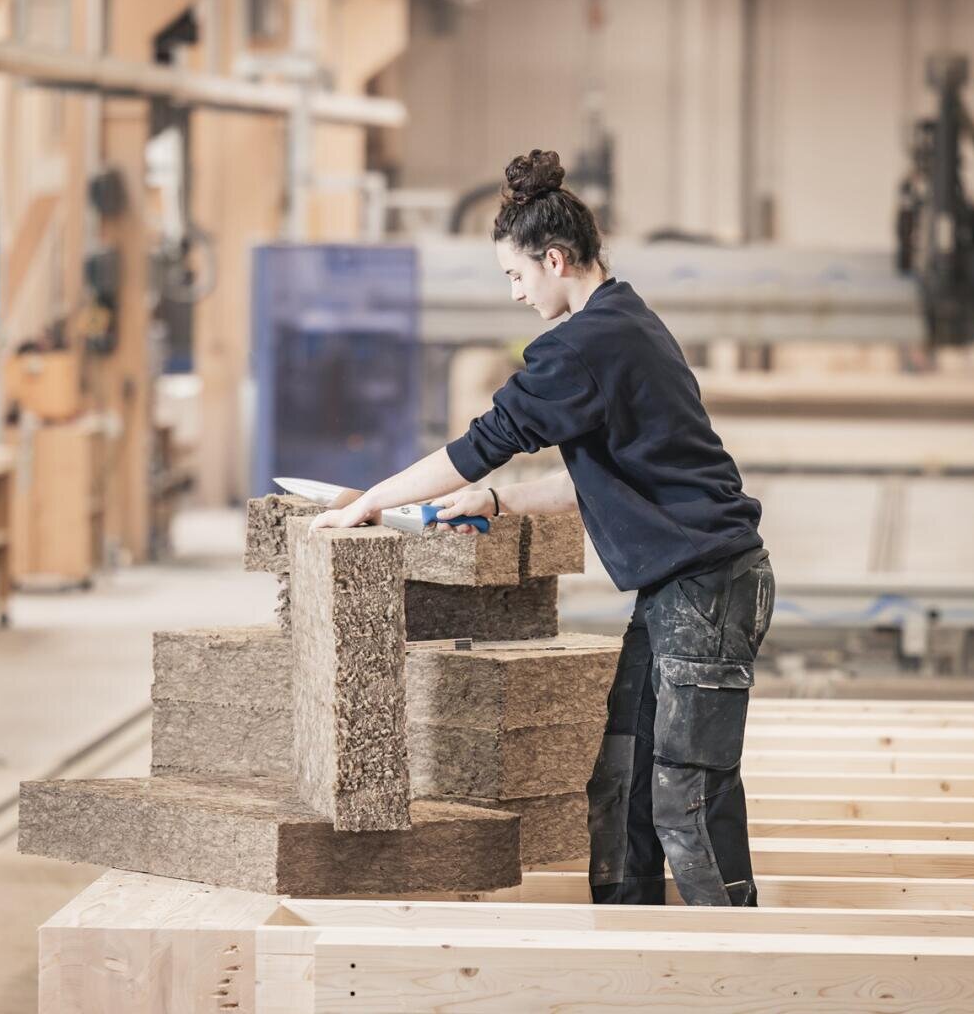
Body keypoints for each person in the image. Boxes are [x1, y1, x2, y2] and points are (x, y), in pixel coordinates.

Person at [309, 148, 771, 908]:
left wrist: (368, 502)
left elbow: (480, 444)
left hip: (708, 588)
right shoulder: (621, 320)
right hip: (680, 590)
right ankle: (629, 945)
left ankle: (733, 952)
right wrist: (497, 503)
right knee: (623, 778)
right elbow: (613, 478)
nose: (516, 292)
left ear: (554, 259)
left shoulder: (588, 344)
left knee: (686, 796)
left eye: (515, 275)